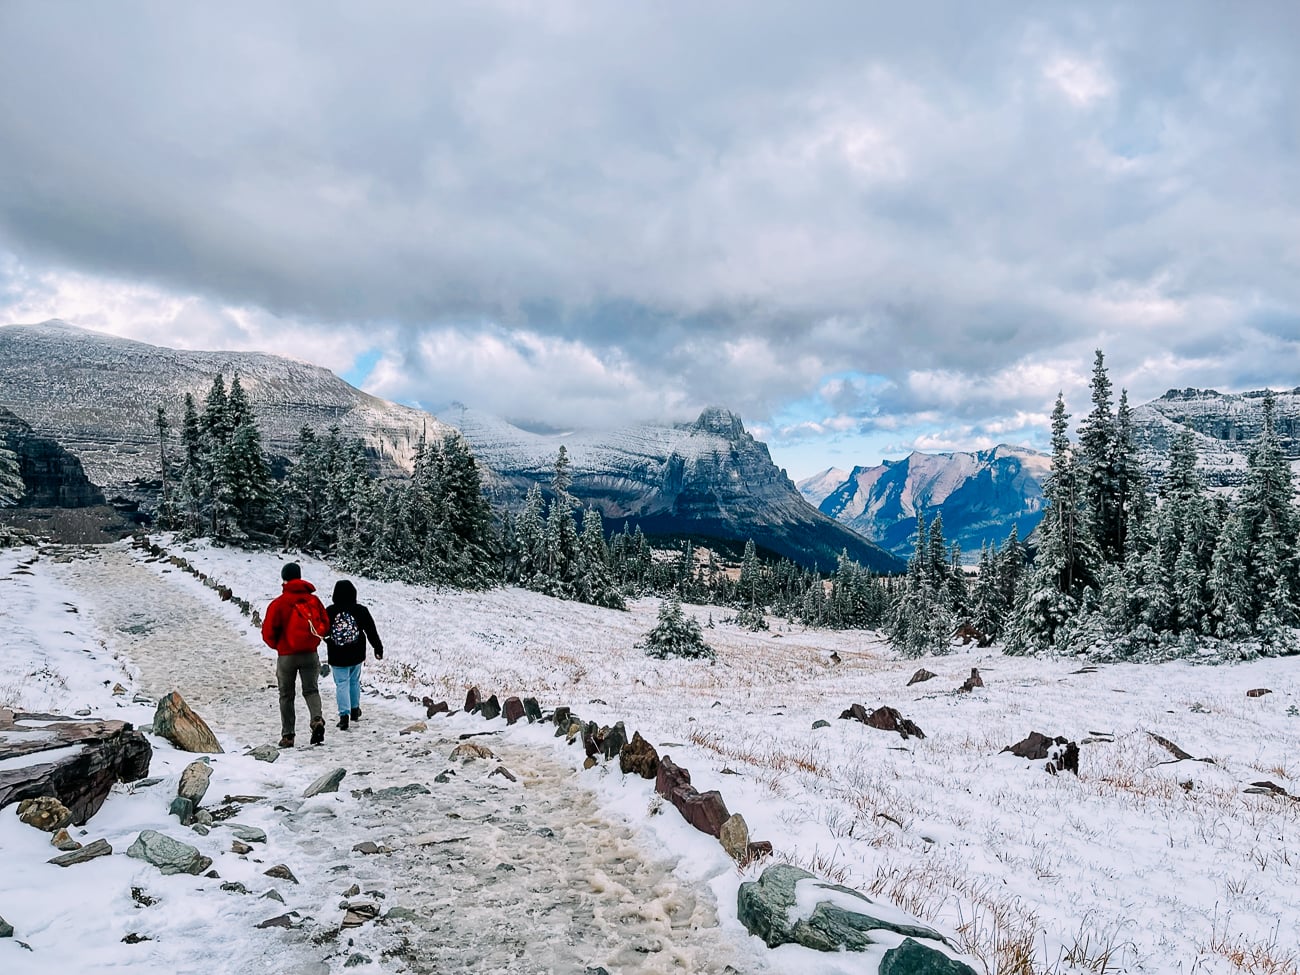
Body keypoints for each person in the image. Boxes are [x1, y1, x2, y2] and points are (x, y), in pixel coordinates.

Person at [261, 562, 330, 747]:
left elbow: (268, 632)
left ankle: (288, 735)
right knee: (311, 690)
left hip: (287, 656)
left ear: (284, 579)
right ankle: (317, 720)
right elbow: (325, 623)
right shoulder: (313, 601)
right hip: (310, 653)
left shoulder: (279, 603)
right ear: (300, 577)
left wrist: (279, 646)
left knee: (286, 695)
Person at [324, 579, 383, 730]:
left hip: (337, 655)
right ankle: (355, 710)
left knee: (341, 684)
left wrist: (329, 642)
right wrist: (378, 647)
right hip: (356, 654)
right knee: (354, 681)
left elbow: (322, 631)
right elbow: (371, 630)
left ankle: (344, 716)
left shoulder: (330, 611)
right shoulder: (360, 610)